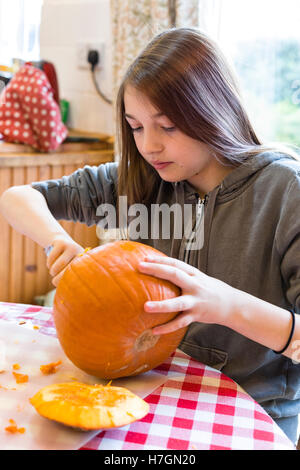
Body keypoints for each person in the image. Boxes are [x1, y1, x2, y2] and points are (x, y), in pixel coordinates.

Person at [0, 27, 299, 445]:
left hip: (252, 414)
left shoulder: (286, 190)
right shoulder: (142, 178)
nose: (149, 146)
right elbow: (17, 197)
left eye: (168, 126)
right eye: (136, 127)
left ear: (215, 110)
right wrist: (56, 240)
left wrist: (225, 305)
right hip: (152, 394)